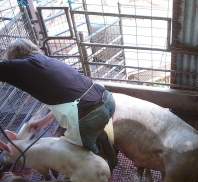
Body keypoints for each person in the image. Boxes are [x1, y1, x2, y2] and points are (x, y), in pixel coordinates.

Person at [0, 39, 117, 171]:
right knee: (96, 131)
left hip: (89, 115)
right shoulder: (46, 61)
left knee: (79, 152)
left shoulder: (19, 67)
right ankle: (112, 157)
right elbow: (66, 98)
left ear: (13, 57)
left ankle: (99, 170)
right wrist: (43, 121)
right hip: (106, 99)